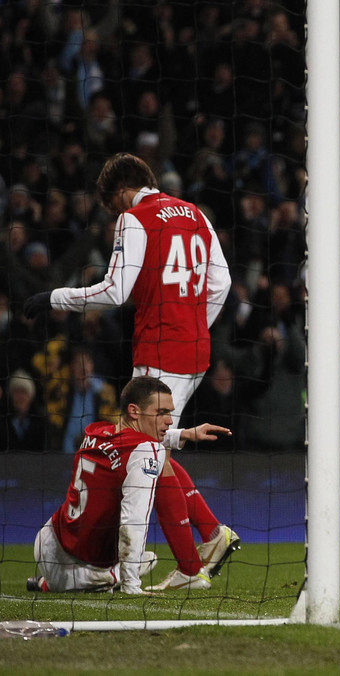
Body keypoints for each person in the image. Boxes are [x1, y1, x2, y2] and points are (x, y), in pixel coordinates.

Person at [23, 152, 240, 590]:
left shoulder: (135, 217)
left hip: (160, 348)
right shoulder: (196, 213)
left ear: (120, 191)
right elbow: (222, 283)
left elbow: (117, 289)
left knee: (148, 453)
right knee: (155, 456)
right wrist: (195, 324)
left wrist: (54, 297)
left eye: (112, 206)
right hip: (195, 348)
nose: (114, 216)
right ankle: (202, 548)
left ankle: (203, 550)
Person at [28, 376, 231, 594]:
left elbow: (129, 443)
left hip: (47, 542)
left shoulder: (97, 432)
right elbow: (133, 521)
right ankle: (100, 578)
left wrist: (184, 434)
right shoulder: (146, 452)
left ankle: (51, 581)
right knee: (140, 561)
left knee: (144, 558)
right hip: (84, 564)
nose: (170, 421)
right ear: (134, 411)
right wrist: (131, 584)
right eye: (161, 412)